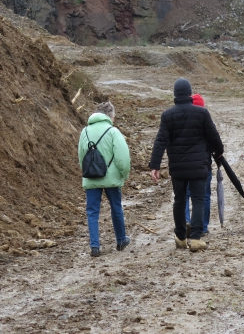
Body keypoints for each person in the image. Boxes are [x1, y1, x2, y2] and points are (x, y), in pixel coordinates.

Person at [149, 78, 224, 252]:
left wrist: (155, 165)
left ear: (175, 95)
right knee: (198, 200)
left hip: (178, 167)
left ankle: (181, 237)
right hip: (199, 166)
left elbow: (160, 141)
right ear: (190, 93)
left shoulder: (168, 115)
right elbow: (213, 136)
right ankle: (196, 238)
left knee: (179, 200)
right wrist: (219, 151)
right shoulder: (202, 113)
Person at [78, 102, 131, 257]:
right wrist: (124, 174)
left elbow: (81, 156)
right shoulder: (113, 131)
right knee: (116, 207)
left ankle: (95, 246)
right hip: (111, 179)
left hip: (91, 176)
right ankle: (121, 240)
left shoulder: (85, 131)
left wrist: (87, 171)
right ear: (111, 115)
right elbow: (123, 158)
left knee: (92, 212)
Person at [184, 93, 212, 237]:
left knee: (185, 195)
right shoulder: (205, 120)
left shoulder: (182, 120)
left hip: (184, 166)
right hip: (203, 165)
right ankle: (203, 226)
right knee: (203, 196)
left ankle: (186, 222)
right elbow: (214, 141)